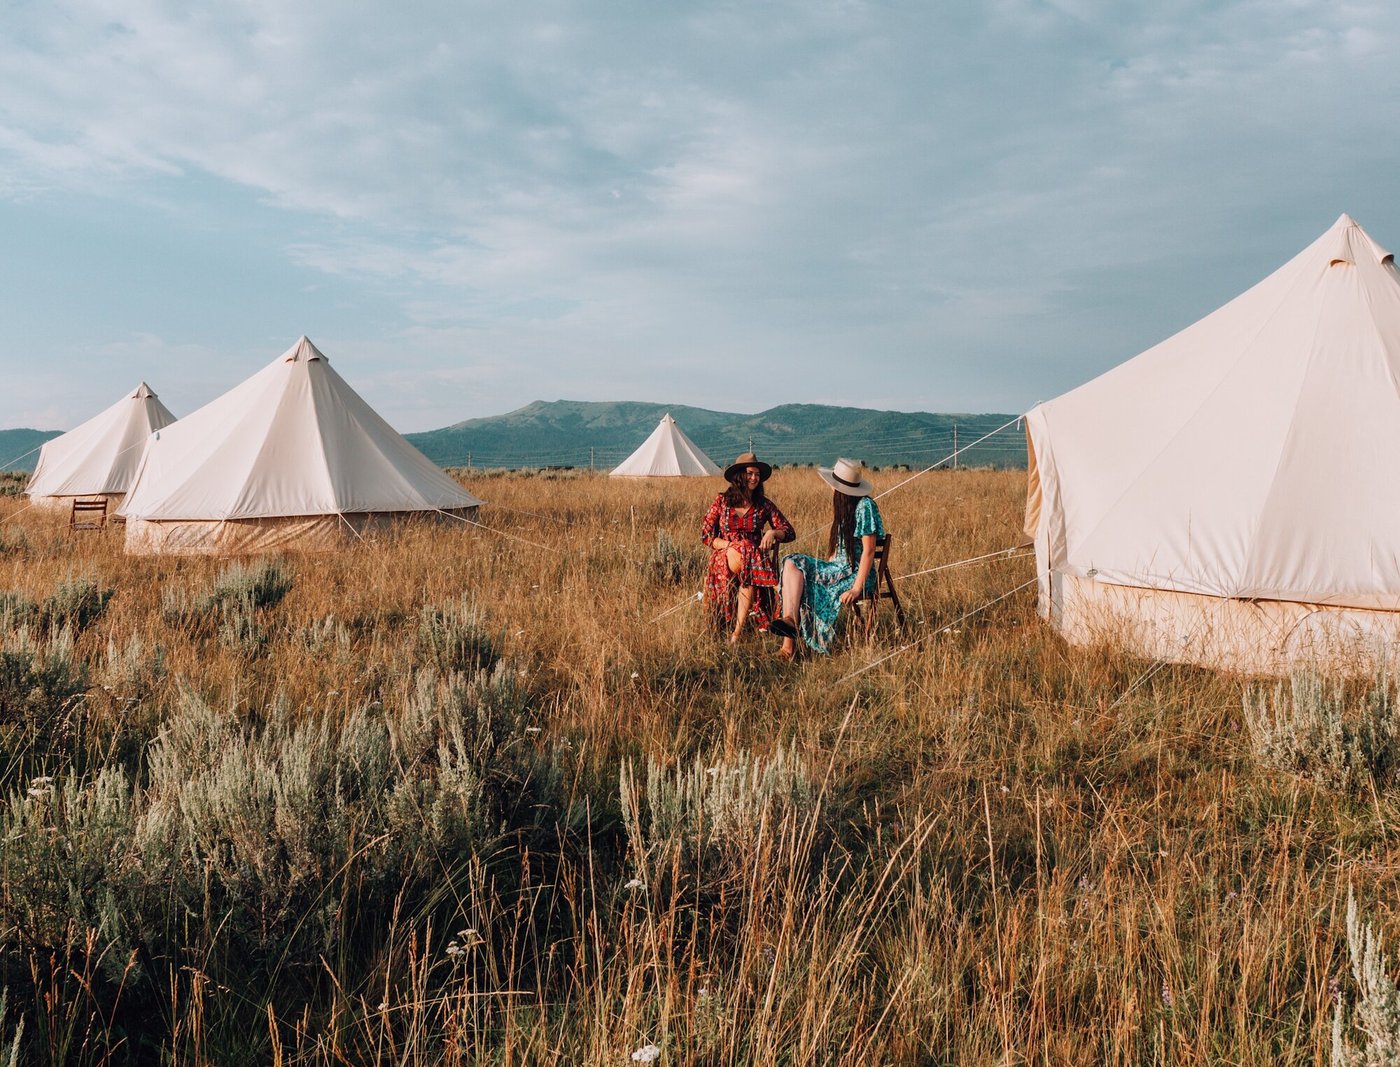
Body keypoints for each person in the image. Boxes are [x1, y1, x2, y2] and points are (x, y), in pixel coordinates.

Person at [769, 458, 885, 657]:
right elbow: (839, 548)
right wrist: (826, 566)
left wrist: (857, 588)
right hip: (837, 569)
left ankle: (789, 644)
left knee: (801, 576)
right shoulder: (845, 507)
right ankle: (790, 623)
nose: (831, 490)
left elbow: (869, 551)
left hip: (855, 573)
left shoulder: (865, 506)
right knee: (790, 562)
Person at [699, 452, 795, 643]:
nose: (754, 478)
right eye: (750, 473)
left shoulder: (763, 505)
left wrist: (772, 533)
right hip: (726, 555)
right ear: (739, 476)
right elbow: (706, 535)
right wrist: (730, 545)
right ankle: (777, 588)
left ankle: (737, 632)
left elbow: (789, 532)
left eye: (757, 475)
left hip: (751, 559)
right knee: (745, 549)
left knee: (748, 557)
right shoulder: (722, 501)